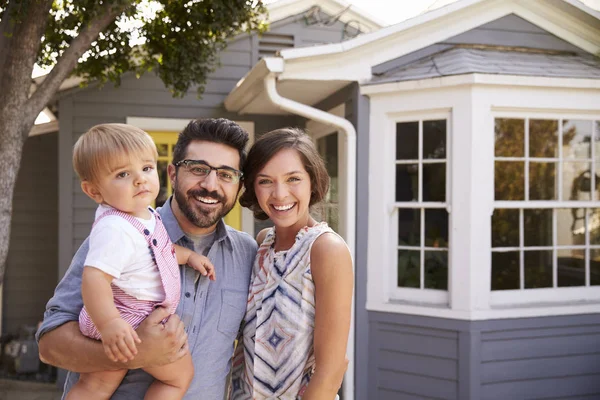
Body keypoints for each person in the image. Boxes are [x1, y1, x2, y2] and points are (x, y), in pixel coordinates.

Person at [36, 118, 258, 399]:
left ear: (239, 186)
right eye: (198, 169)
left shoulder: (248, 255)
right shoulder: (119, 233)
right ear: (173, 174)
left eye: (226, 174)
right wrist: (133, 355)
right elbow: (50, 346)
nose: (210, 184)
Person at [67, 124, 216, 400]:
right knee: (179, 379)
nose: (140, 180)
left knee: (95, 387)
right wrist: (110, 323)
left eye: (146, 168)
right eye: (123, 174)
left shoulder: (142, 215)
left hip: (123, 318)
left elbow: (157, 251)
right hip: (129, 318)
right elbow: (95, 278)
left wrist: (189, 256)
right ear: (94, 191)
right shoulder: (114, 228)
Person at [231, 128, 353, 400]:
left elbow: (330, 370)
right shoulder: (263, 243)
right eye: (265, 181)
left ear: (313, 181)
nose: (280, 193)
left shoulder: (325, 249)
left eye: (293, 179)